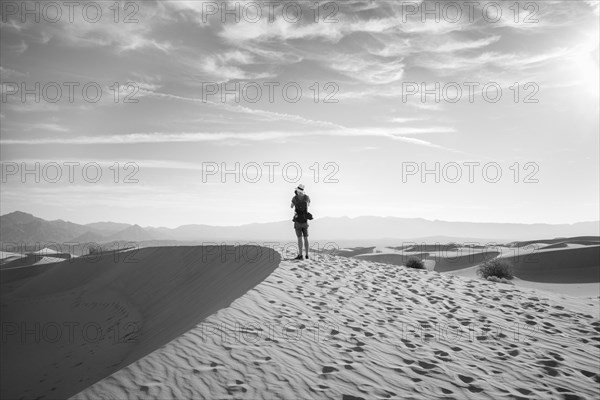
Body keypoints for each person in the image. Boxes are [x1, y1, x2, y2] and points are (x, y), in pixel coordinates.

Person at [290, 184, 310, 260]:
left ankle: (300, 255)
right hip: (305, 221)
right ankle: (307, 255)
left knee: (299, 238)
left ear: (297, 191)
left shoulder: (295, 198)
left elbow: (291, 206)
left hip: (298, 221)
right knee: (306, 237)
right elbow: (308, 205)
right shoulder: (307, 197)